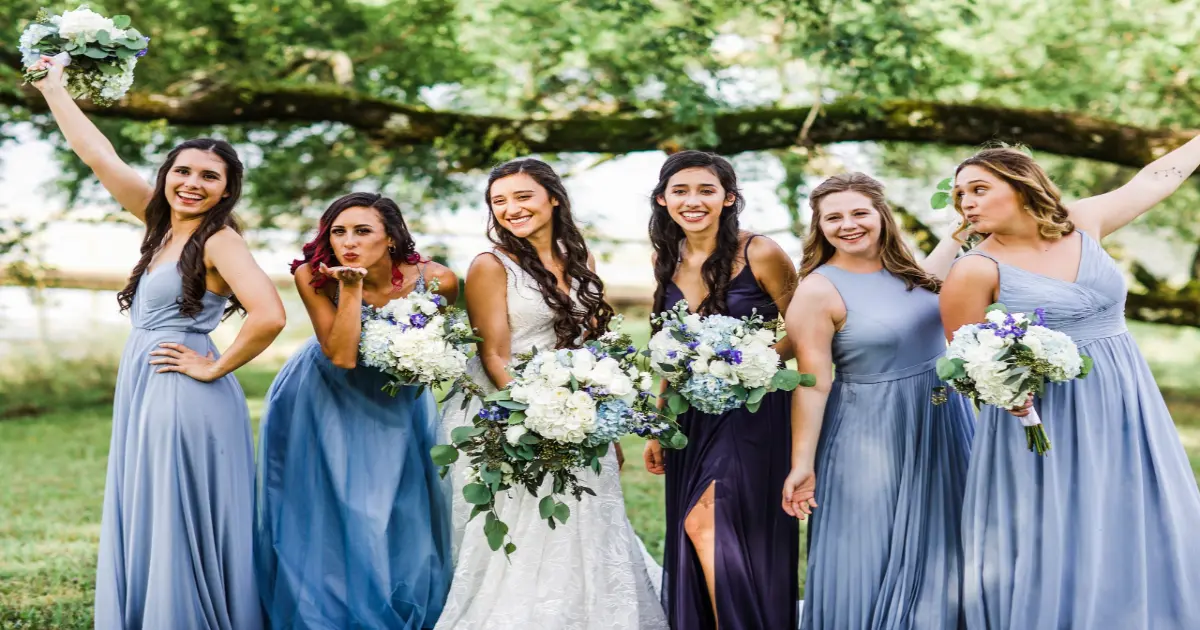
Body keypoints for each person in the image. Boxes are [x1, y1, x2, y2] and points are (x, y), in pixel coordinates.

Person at [29, 55, 285, 628]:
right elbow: (99, 155)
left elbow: (269, 315)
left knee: (174, 510)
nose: (192, 183)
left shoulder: (220, 241)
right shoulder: (161, 226)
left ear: (226, 190)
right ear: (167, 175)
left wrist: (213, 367)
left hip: (181, 388)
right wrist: (53, 88)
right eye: (183, 171)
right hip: (146, 382)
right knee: (153, 505)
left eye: (209, 177)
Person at [940, 144, 1200, 629]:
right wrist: (1008, 391)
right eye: (960, 195)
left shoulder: (1081, 221)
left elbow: (1153, 180)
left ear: (1021, 187)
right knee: (1064, 523)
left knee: (1132, 508)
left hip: (1126, 398)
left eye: (979, 189)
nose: (966, 203)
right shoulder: (975, 269)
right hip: (1046, 418)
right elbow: (966, 362)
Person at [435, 158, 666, 630]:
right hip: (507, 411)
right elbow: (494, 354)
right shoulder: (490, 265)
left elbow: (592, 347)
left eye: (523, 197)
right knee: (520, 525)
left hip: (579, 409)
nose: (511, 209)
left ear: (554, 199)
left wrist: (601, 424)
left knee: (586, 516)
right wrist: (538, 414)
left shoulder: (580, 260)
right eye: (499, 201)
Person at [254, 192, 458, 629]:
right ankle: (325, 616)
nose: (348, 242)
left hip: (396, 401)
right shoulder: (314, 275)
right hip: (320, 395)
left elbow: (443, 350)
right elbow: (343, 355)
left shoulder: (438, 280)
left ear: (392, 238)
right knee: (327, 510)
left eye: (363, 231)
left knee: (396, 507)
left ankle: (396, 608)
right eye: (339, 232)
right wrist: (351, 288)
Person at [783, 172, 975, 629]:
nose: (848, 225)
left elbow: (931, 278)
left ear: (881, 215)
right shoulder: (817, 290)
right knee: (870, 547)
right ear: (819, 226)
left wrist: (965, 224)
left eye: (859, 213)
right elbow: (812, 383)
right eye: (833, 217)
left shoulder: (907, 272)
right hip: (870, 430)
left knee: (945, 540)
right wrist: (802, 464)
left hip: (942, 422)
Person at [643, 150, 799, 629]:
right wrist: (659, 422)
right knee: (705, 529)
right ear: (663, 199)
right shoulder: (665, 258)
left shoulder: (761, 252)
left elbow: (804, 327)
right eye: (680, 191)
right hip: (691, 415)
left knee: (706, 522)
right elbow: (668, 346)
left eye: (706, 190)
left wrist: (750, 365)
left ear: (728, 198)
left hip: (753, 410)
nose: (693, 201)